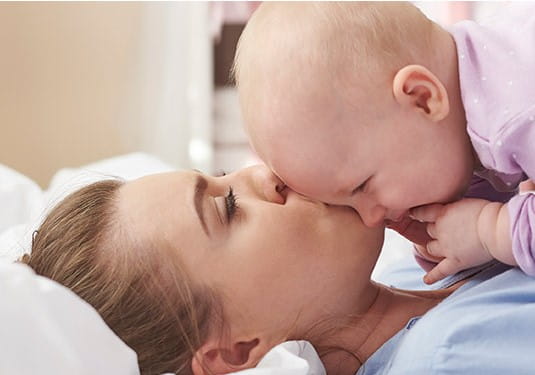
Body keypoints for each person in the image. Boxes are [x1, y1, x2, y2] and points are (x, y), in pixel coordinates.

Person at [24, 165, 535, 374]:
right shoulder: (453, 358)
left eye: (222, 176)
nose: (264, 173)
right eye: (227, 206)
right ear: (237, 348)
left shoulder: (425, 270)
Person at [233, 1, 535, 284]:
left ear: (422, 98)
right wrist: (451, 235)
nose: (370, 218)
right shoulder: (476, 84)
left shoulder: (519, 110)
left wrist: (490, 231)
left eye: (362, 186)